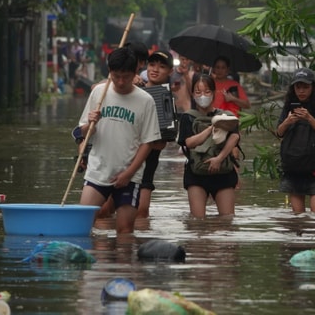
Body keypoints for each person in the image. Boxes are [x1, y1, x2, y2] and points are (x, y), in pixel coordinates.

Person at [77, 47, 161, 234]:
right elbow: (82, 132)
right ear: (110, 72)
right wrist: (89, 123)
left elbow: (148, 143)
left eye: (126, 76)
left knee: (124, 231)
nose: (121, 82)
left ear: (135, 74)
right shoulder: (99, 93)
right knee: (82, 225)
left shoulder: (145, 101)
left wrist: (128, 173)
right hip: (98, 171)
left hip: (129, 175)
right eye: (116, 76)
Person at [177, 73, 240, 218]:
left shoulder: (226, 116)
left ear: (213, 92)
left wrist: (219, 158)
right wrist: (211, 128)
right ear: (193, 94)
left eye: (207, 91)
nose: (203, 96)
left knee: (227, 220)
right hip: (196, 174)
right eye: (198, 92)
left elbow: (235, 136)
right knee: (198, 221)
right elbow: (189, 142)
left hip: (223, 173)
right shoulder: (188, 117)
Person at [276, 68, 315, 213]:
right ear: (293, 88)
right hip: (294, 166)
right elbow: (279, 132)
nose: (301, 91)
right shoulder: (289, 106)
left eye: (305, 87)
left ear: (312, 87)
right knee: (298, 216)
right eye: (298, 87)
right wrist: (288, 121)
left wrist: (309, 118)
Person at [137, 50, 174, 218]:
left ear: (170, 72)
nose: (155, 70)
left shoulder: (167, 100)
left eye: (162, 67)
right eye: (152, 65)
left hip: (148, 165)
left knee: (141, 213)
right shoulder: (132, 89)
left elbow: (162, 143)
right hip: (123, 159)